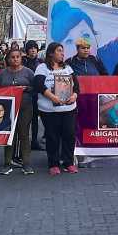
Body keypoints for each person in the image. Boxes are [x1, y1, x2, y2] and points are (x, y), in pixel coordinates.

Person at [34, 42, 80, 175]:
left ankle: (68, 163)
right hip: (49, 110)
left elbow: (76, 85)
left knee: (69, 135)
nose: (62, 53)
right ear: (51, 53)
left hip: (68, 109)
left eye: (62, 51)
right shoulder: (42, 68)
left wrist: (74, 96)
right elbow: (39, 85)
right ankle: (53, 164)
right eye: (59, 51)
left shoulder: (67, 68)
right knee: (52, 136)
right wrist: (52, 97)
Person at [0, 49, 36, 175]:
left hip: (25, 107)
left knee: (24, 135)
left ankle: (26, 164)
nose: (15, 59)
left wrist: (27, 88)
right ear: (8, 59)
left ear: (21, 58)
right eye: (12, 57)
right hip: (8, 108)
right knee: (9, 136)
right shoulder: (3, 74)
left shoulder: (28, 72)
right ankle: (7, 163)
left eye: (17, 57)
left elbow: (36, 88)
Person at [23, 40, 43, 151]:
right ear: (27, 50)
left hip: (38, 94)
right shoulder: (23, 62)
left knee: (35, 119)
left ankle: (34, 141)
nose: (33, 50)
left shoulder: (41, 62)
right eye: (30, 48)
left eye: (35, 47)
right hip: (26, 94)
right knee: (25, 120)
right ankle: (24, 142)